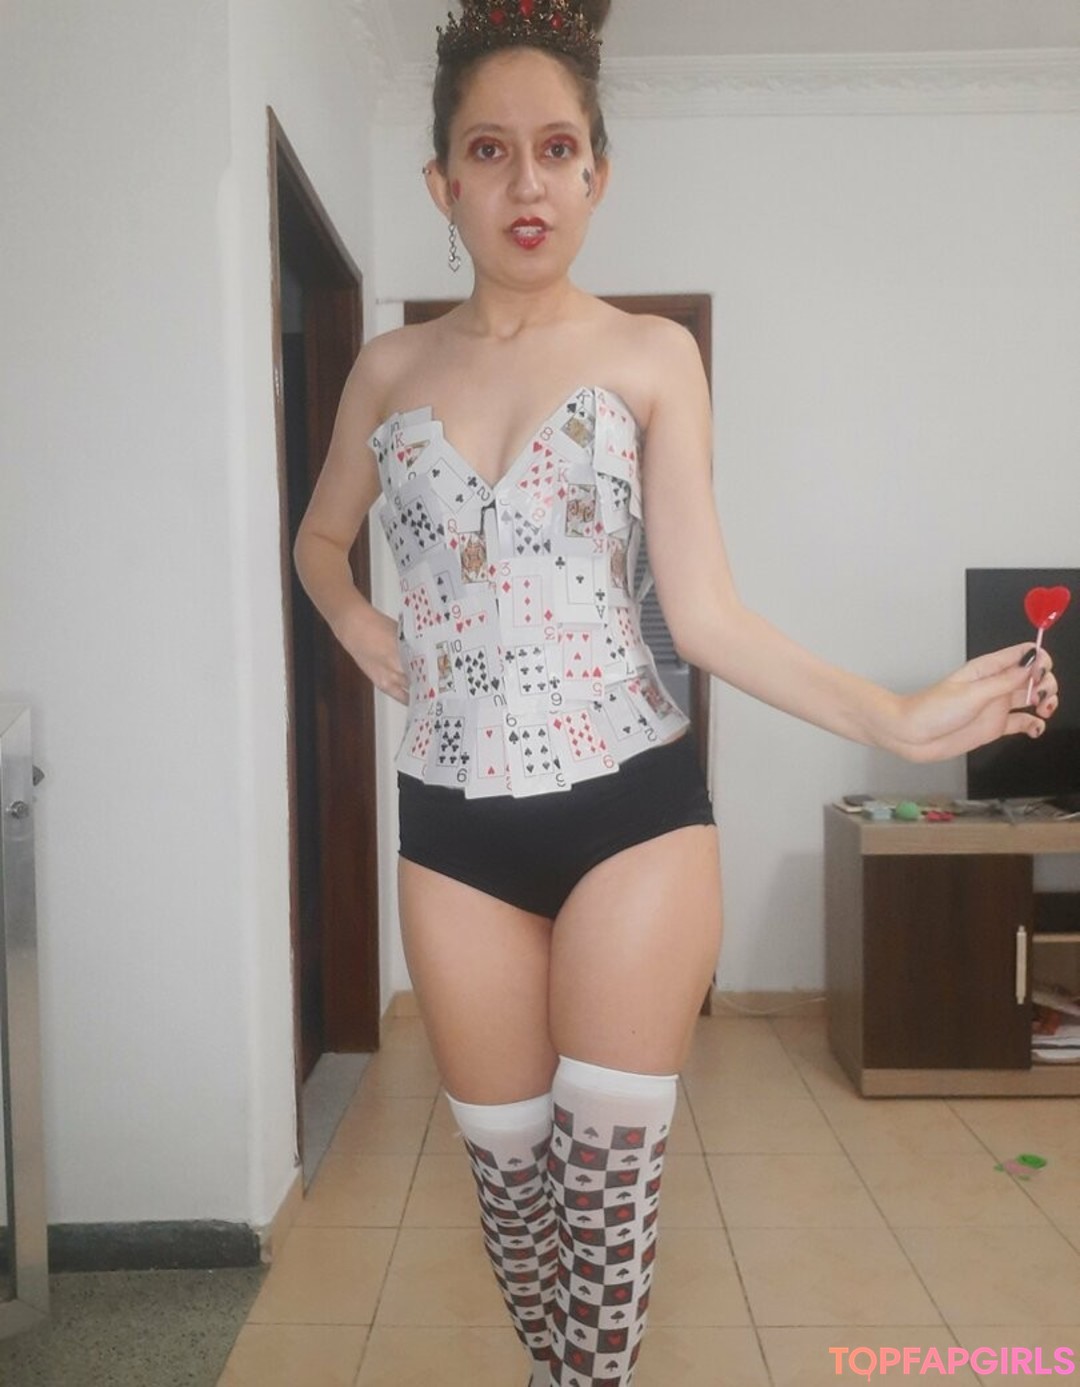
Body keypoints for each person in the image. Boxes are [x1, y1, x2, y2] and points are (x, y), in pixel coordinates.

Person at [292, 3, 1059, 1382]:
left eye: (558, 148)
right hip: (450, 831)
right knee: (516, 1211)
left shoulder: (653, 355)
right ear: (442, 185)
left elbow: (703, 617)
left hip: (633, 816)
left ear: (598, 174)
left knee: (604, 1213)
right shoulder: (384, 370)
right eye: (490, 150)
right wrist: (354, 620)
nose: (527, 181)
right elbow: (317, 540)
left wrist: (892, 719)